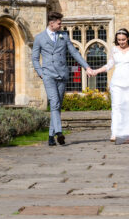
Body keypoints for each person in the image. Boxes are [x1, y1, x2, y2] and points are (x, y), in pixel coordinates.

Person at [31, 11, 92, 146]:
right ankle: (59, 132)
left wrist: (86, 67)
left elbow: (74, 52)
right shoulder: (39, 38)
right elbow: (35, 58)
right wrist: (41, 73)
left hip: (62, 74)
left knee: (57, 106)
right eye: (59, 23)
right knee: (54, 102)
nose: (61, 25)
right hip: (48, 75)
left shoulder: (64, 35)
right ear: (51, 23)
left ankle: (51, 137)